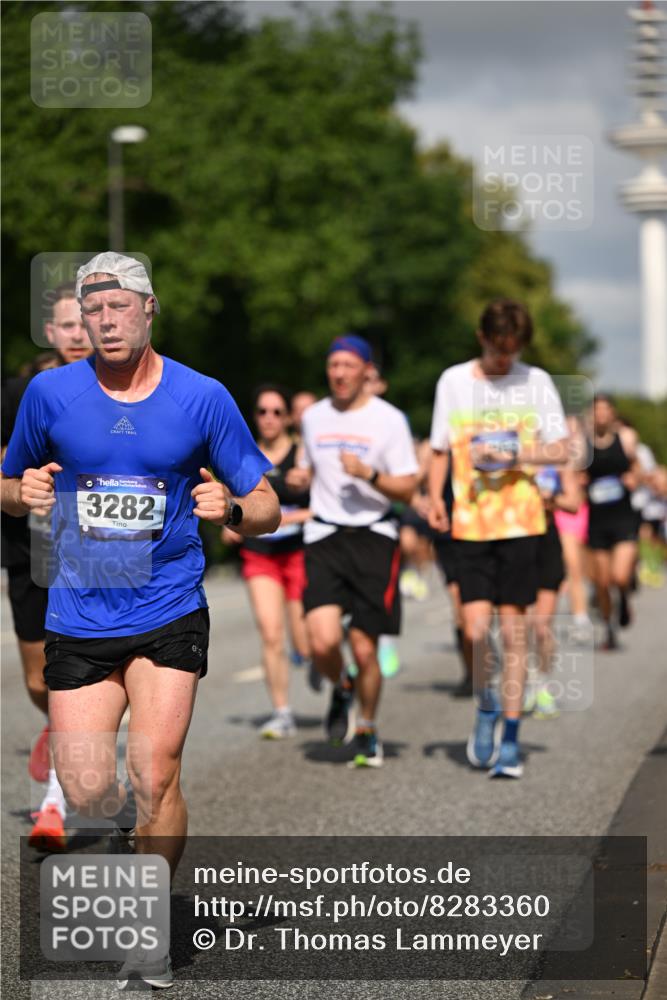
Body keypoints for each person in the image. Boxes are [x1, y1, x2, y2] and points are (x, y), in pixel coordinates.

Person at [1, 252, 279, 988]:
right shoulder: (50, 394)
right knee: (88, 787)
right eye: (93, 311)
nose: (106, 320)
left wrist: (237, 513)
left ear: (149, 309)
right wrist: (19, 492)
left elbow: (266, 503)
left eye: (120, 306)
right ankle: (127, 820)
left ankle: (149, 926)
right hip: (80, 609)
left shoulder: (203, 397)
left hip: (168, 607)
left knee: (154, 772)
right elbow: (7, 479)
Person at [428, 299, 568, 779]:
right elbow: (439, 448)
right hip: (470, 524)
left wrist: (517, 452)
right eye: (498, 349)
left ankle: (510, 739)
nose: (505, 360)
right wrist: (434, 499)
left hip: (522, 524)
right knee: (472, 631)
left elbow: (563, 447)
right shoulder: (454, 381)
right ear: (481, 337)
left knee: (514, 635)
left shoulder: (537, 382)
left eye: (513, 351)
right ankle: (486, 703)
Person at [286, 334, 418, 768]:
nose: (339, 373)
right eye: (333, 365)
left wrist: (369, 474)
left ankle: (367, 727)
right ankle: (342, 686)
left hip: (374, 536)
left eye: (348, 365)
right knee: (321, 641)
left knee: (365, 647)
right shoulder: (314, 417)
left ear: (366, 371)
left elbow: (407, 486)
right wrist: (303, 477)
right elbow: (306, 463)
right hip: (324, 534)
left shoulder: (389, 420)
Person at [1, 282, 93, 852]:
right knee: (39, 678)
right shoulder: (18, 394)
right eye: (65, 326)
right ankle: (61, 725)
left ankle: (55, 805)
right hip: (28, 548)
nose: (78, 335)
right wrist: (21, 489)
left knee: (72, 674)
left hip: (99, 551)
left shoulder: (122, 389)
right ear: (50, 334)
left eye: (85, 323)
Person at [222, 384, 313, 737]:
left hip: (298, 553)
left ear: (288, 417)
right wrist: (231, 521)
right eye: (262, 411)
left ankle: (326, 668)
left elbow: (325, 506)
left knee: (305, 642)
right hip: (260, 554)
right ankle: (282, 711)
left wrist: (285, 517)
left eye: (277, 411)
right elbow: (231, 504)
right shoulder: (245, 457)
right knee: (272, 634)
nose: (269, 418)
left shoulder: (303, 455)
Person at [524, 464, 582, 718]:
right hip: (518, 541)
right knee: (521, 625)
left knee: (542, 625)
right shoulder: (512, 454)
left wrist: (550, 498)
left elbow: (574, 503)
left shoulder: (558, 464)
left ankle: (543, 685)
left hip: (547, 541)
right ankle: (527, 681)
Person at [585, 394, 641, 650]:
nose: (601, 415)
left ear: (612, 413)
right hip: (597, 521)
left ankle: (625, 600)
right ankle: (609, 630)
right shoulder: (583, 445)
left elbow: (638, 467)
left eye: (605, 410)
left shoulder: (626, 438)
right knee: (602, 582)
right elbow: (575, 474)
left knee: (619, 576)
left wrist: (634, 478)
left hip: (623, 518)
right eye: (596, 410)